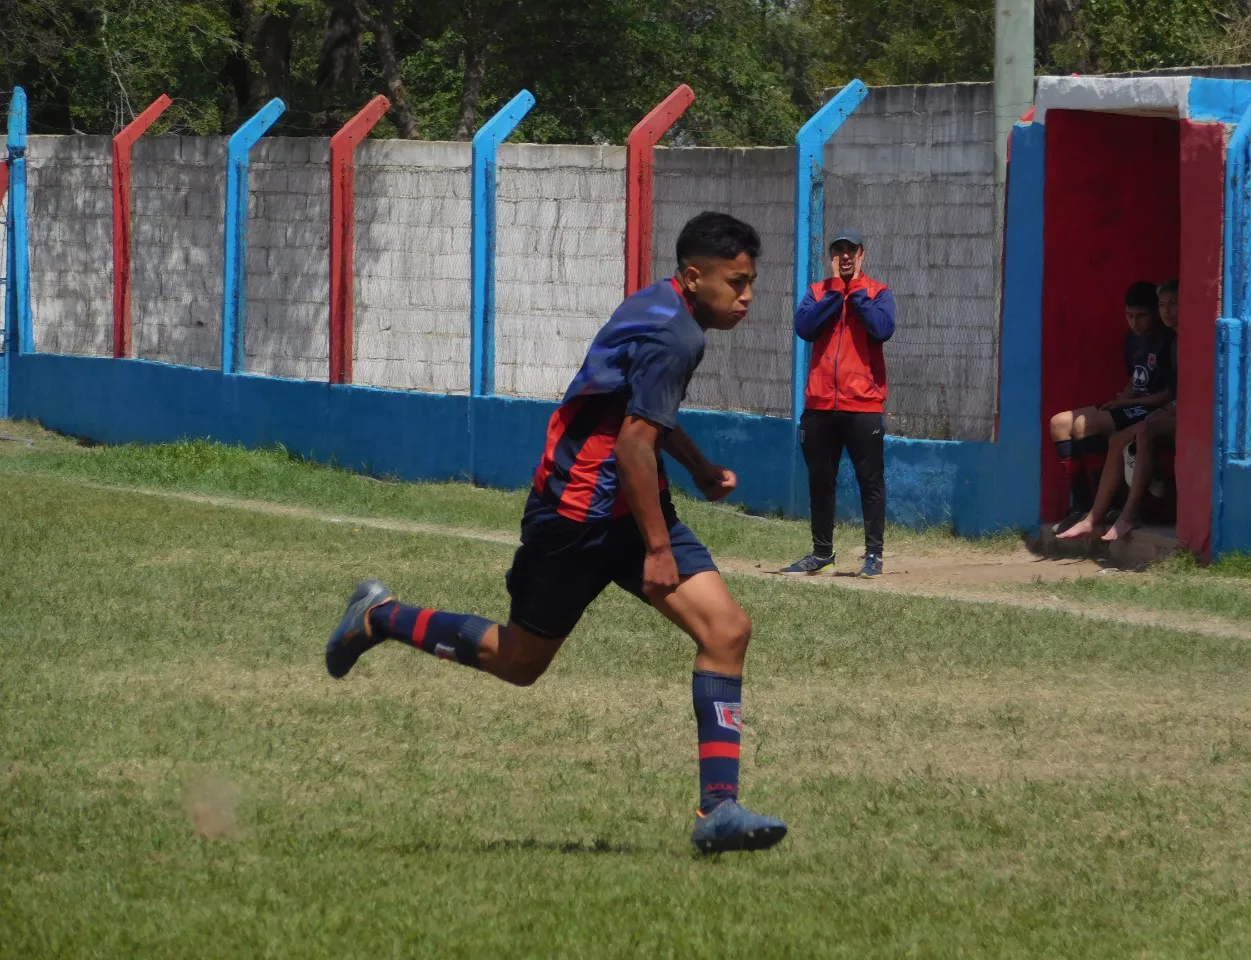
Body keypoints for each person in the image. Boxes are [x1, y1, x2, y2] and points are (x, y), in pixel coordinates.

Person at [325, 212, 787, 855]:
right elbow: (632, 445)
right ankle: (380, 616)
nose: (747, 297)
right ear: (692, 276)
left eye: (751, 283)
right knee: (518, 662)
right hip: (575, 516)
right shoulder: (678, 335)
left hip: (632, 505)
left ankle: (719, 809)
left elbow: (643, 414)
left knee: (726, 630)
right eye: (736, 283)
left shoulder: (662, 307)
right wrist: (658, 549)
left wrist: (699, 467)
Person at [781, 229, 896, 579]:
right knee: (820, 480)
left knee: (870, 481)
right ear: (831, 257)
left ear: (861, 255)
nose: (844, 256)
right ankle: (822, 553)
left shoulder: (878, 293)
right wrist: (835, 291)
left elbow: (881, 329)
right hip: (819, 405)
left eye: (851, 250)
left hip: (863, 406)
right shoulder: (818, 292)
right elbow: (806, 328)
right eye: (838, 250)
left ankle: (873, 555)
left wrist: (855, 289)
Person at [1047, 281, 1175, 530]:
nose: (1135, 323)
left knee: (1085, 425)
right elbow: (1136, 380)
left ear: (1155, 313)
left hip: (1152, 408)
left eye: (1141, 316)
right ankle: (1080, 506)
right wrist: (1122, 398)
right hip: (1131, 403)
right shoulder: (1132, 340)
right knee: (1059, 423)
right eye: (1129, 316)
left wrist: (1126, 402)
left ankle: (1108, 506)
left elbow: (1167, 394)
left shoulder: (1169, 340)